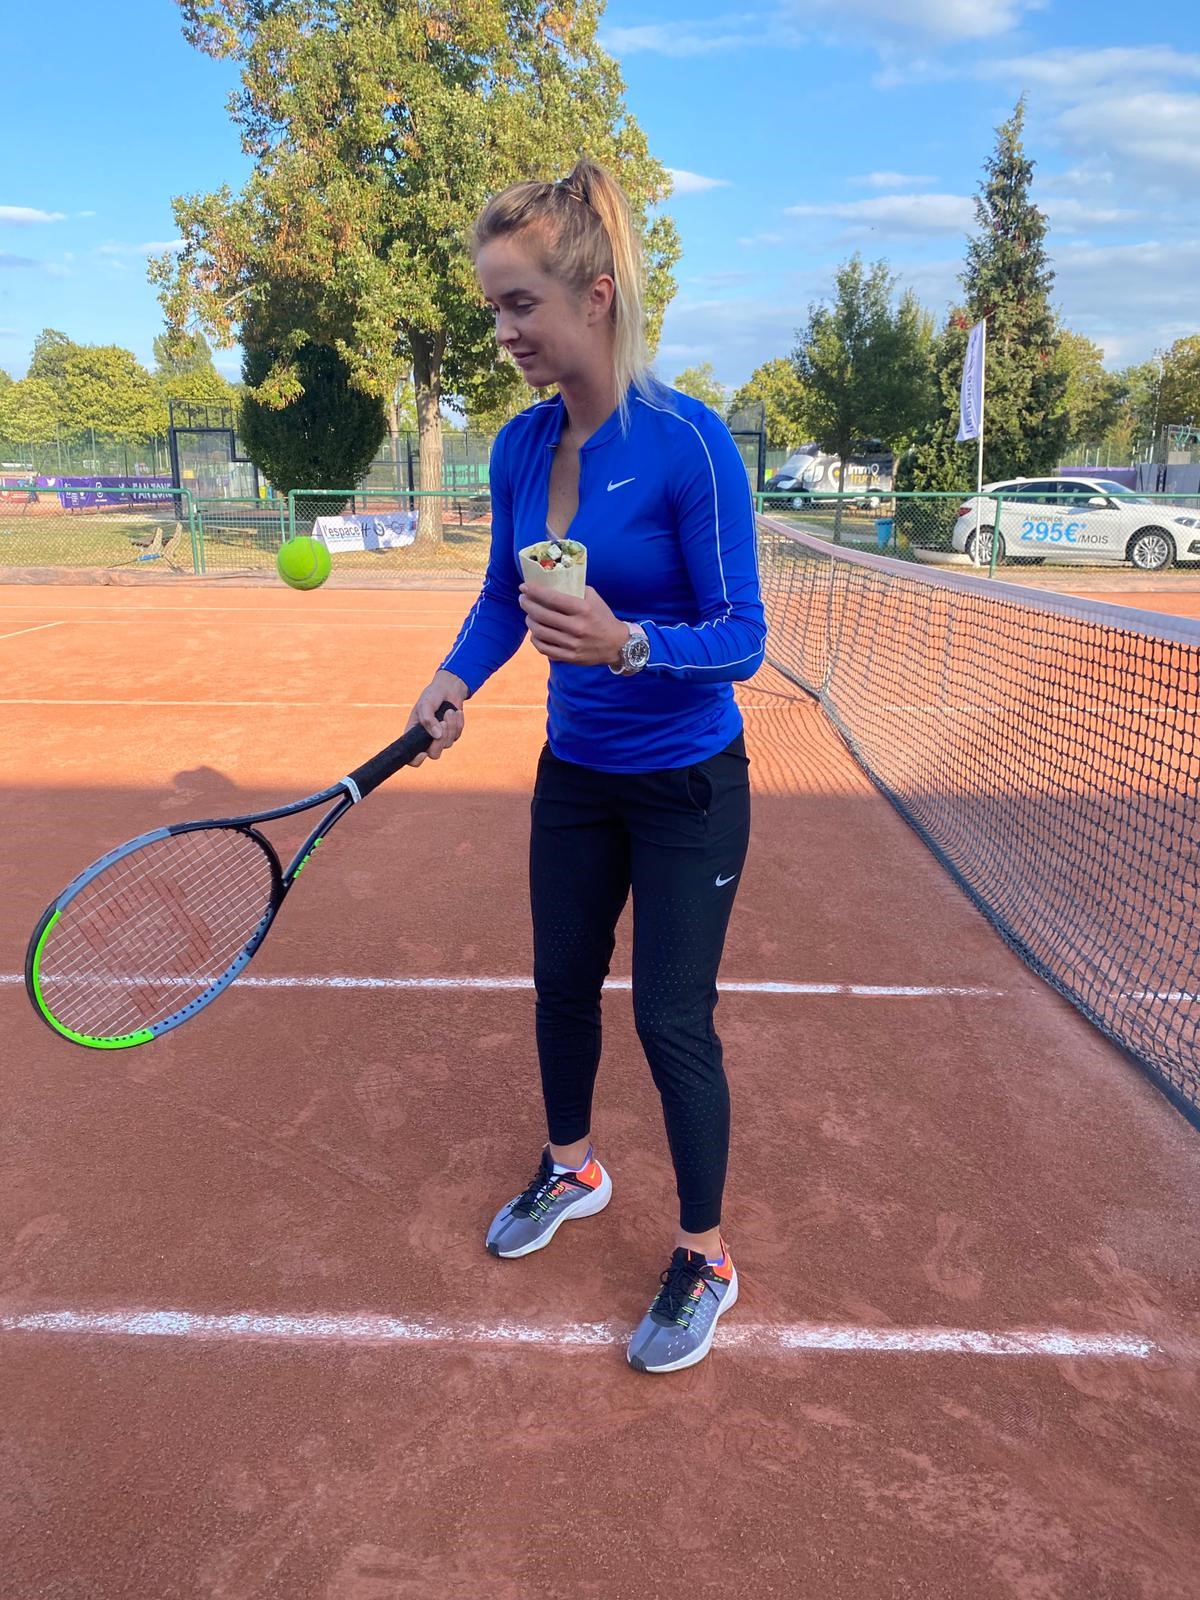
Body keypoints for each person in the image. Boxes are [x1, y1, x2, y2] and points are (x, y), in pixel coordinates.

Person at [405, 159, 766, 1374]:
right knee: (561, 983)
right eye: (495, 307)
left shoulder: (688, 444)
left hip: (687, 788)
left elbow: (745, 636)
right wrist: (459, 676)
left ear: (597, 296)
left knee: (670, 1017)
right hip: (576, 776)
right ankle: (575, 1169)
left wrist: (632, 645)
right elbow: (503, 601)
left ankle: (707, 1255)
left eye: (520, 306)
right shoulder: (520, 448)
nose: (503, 330)